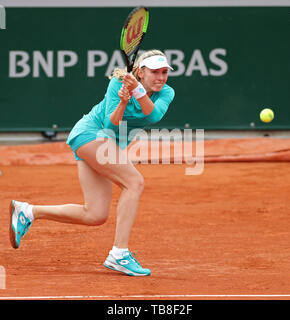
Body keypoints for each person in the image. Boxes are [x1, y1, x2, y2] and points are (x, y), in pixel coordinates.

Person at [9, 49, 175, 277]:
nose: (161, 77)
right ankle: (119, 254)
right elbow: (111, 122)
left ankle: (28, 212)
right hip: (92, 134)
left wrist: (136, 91)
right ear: (140, 72)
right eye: (155, 72)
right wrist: (122, 101)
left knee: (95, 214)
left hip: (105, 143)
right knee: (134, 182)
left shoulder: (166, 92)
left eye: (164, 72)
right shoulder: (117, 84)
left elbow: (153, 116)